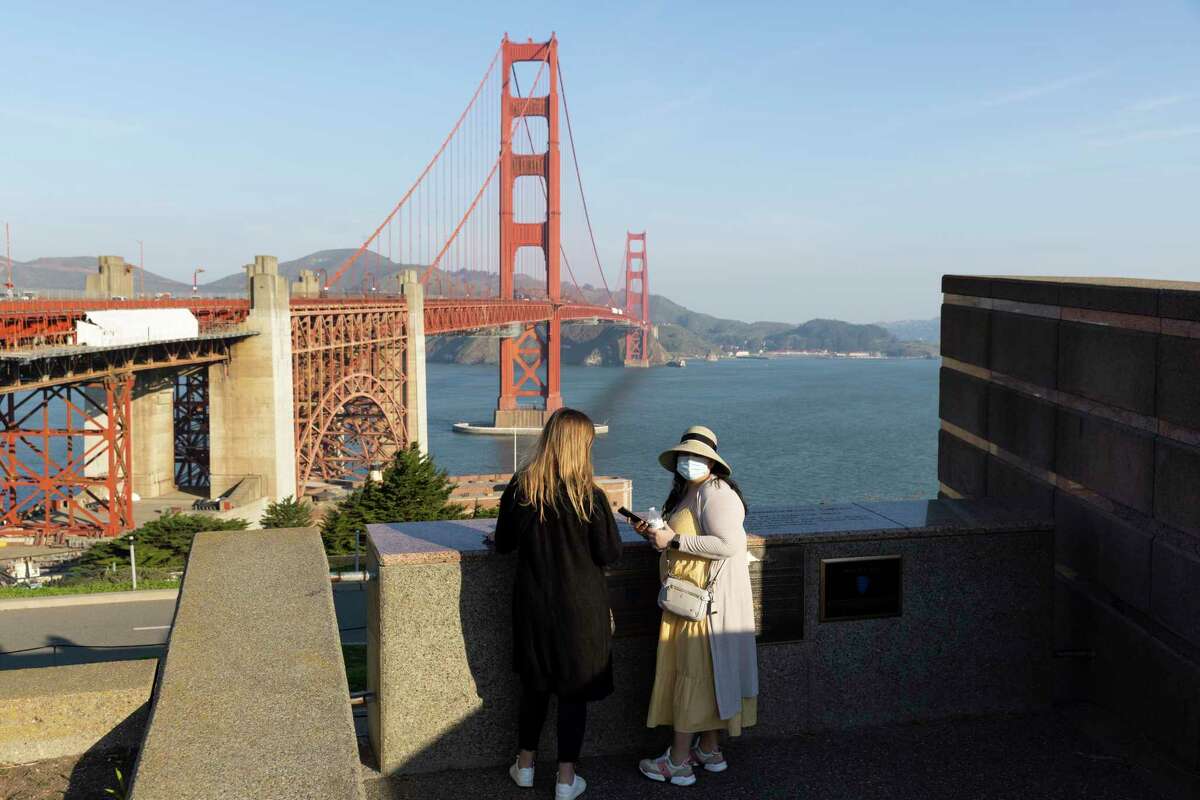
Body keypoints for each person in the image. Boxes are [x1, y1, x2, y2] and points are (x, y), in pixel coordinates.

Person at [494, 407, 623, 799]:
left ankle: (526, 766)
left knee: (535, 687)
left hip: (535, 608)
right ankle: (566, 780)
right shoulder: (591, 498)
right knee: (573, 693)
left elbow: (503, 543)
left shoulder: (523, 488)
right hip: (581, 611)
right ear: (581, 448)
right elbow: (610, 554)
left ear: (548, 440)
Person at [635, 425, 758, 786]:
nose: (689, 462)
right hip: (691, 601)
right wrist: (660, 537)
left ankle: (677, 762)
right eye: (684, 456)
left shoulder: (716, 492)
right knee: (708, 674)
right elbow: (684, 541)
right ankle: (709, 748)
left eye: (698, 456)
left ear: (713, 462)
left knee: (695, 677)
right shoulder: (693, 491)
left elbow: (730, 544)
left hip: (702, 605)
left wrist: (674, 540)